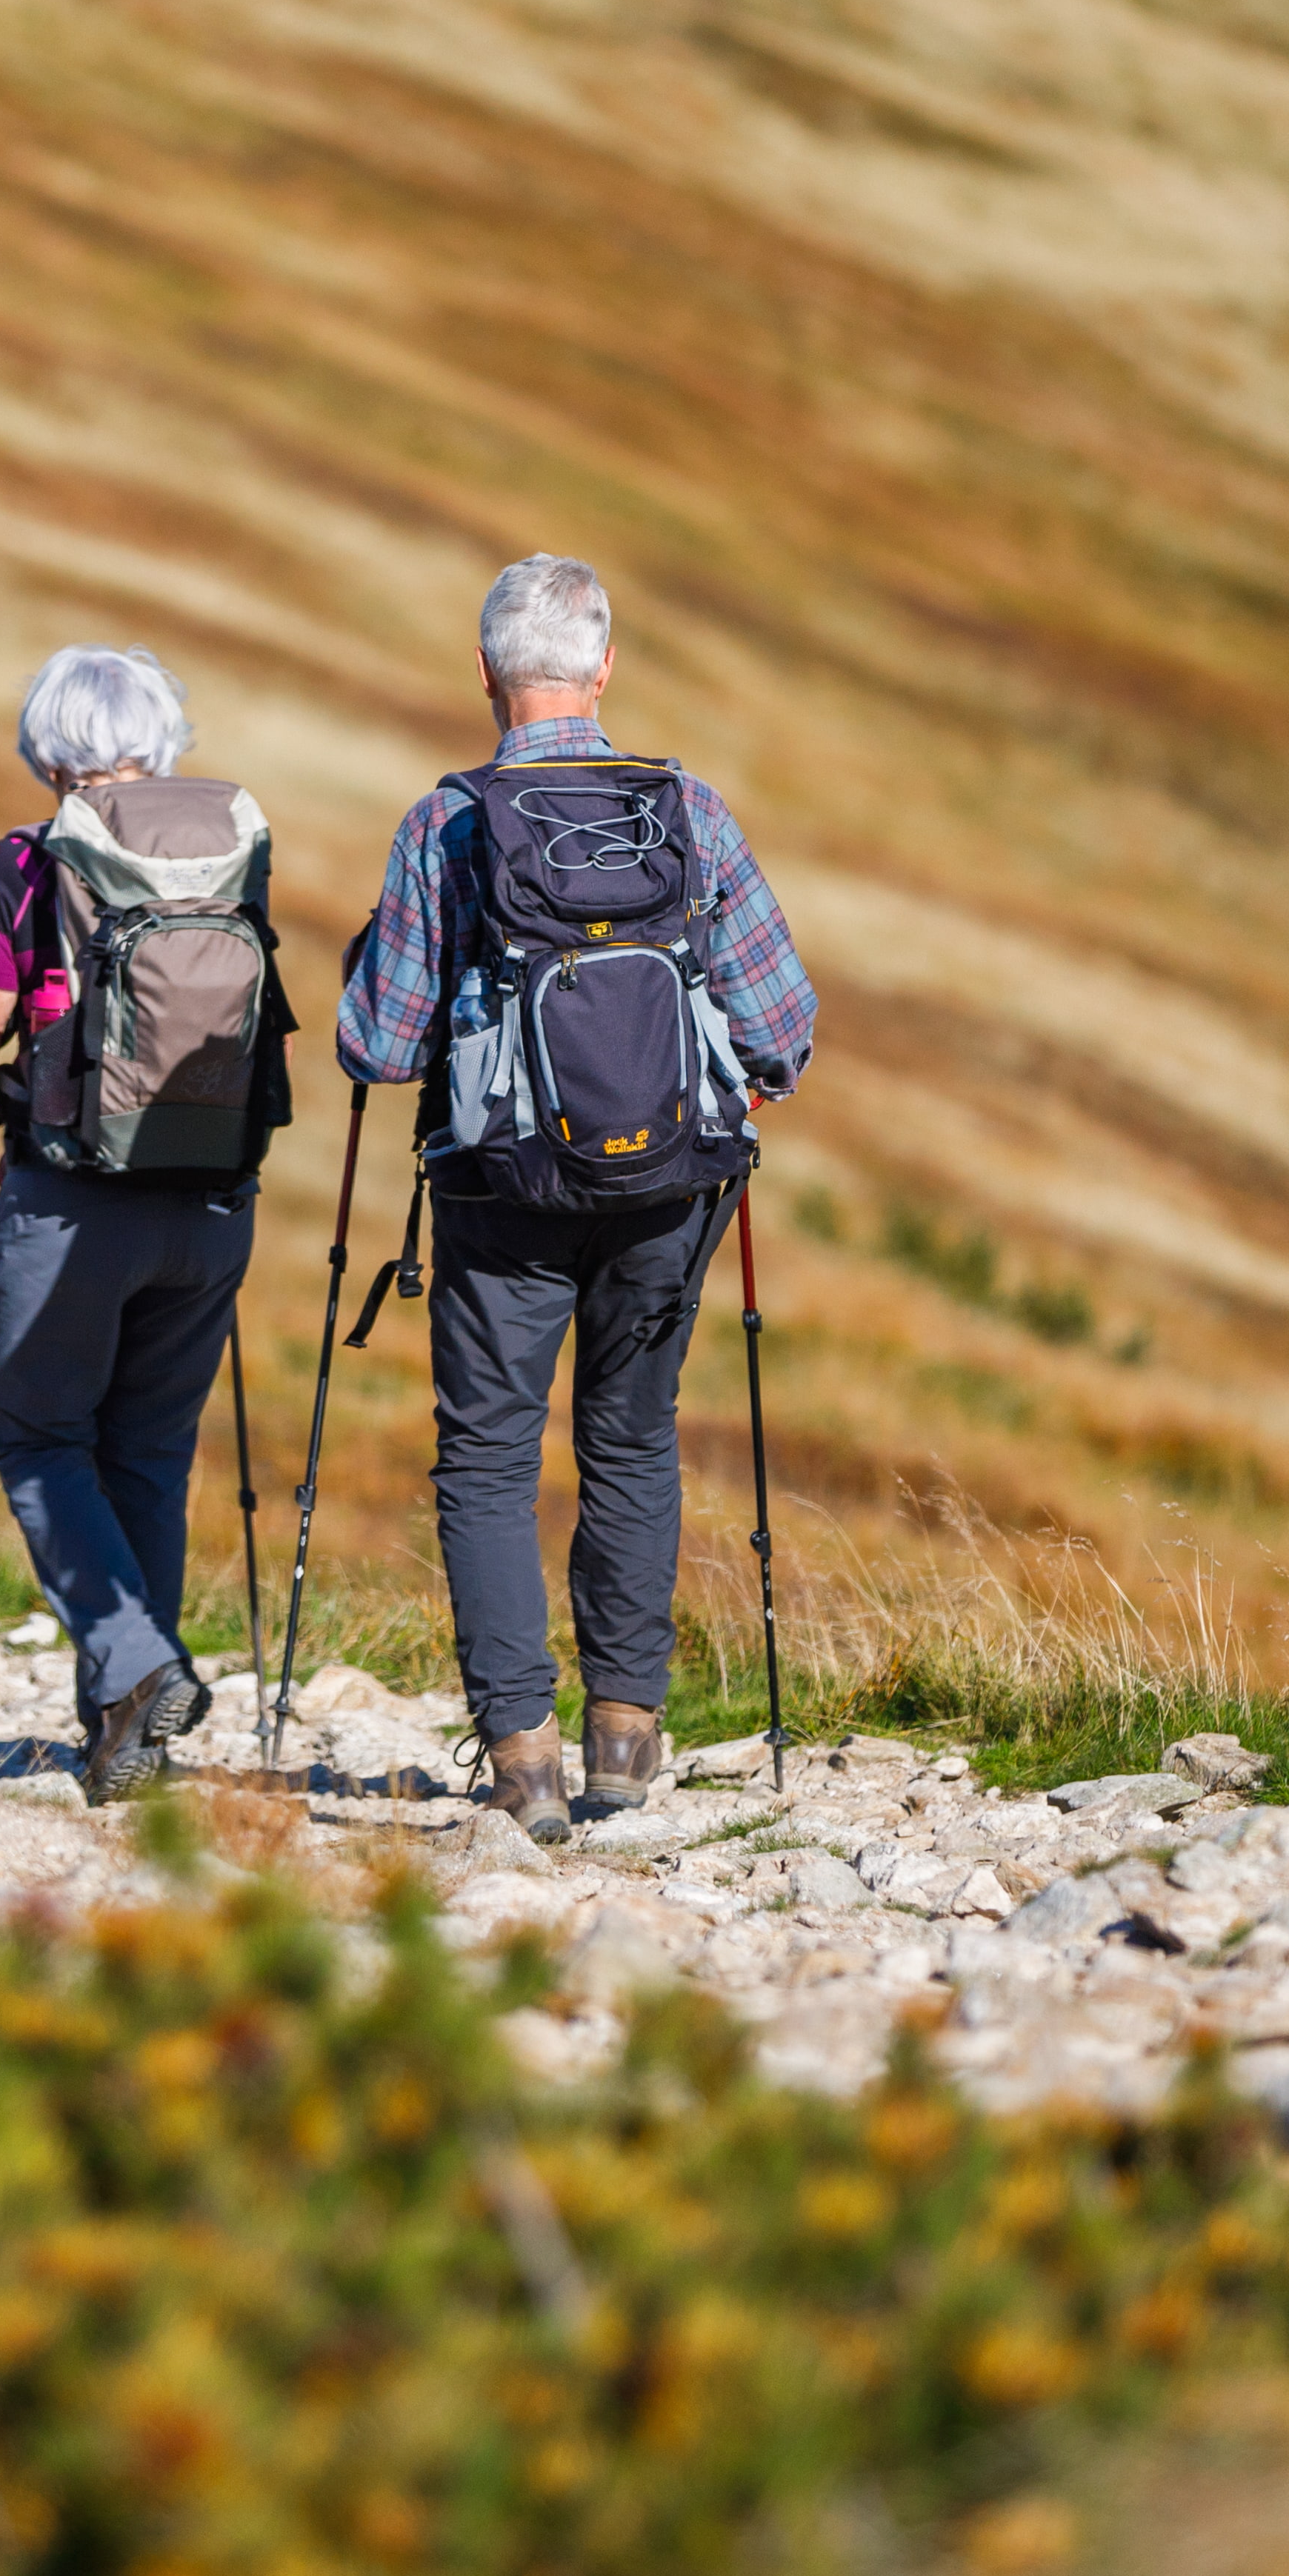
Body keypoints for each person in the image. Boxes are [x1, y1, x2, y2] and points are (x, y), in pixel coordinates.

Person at [336, 555, 814, 1841]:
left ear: (484, 673)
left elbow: (378, 1046)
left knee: (491, 1450)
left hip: (503, 1185)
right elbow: (782, 1027)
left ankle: (522, 1760)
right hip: (671, 1182)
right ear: (606, 669)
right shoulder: (688, 811)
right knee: (633, 1435)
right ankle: (625, 1737)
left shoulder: (448, 823)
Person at [0, 646, 293, 1803]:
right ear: (165, 742)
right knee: (149, 1452)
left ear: (47, 749)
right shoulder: (231, 851)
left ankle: (139, 1669)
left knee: (39, 1436)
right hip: (209, 1204)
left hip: (72, 1202)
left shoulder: (21, 867)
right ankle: (125, 1735)